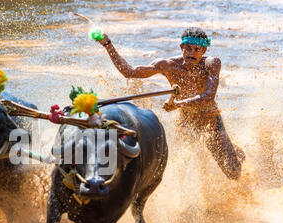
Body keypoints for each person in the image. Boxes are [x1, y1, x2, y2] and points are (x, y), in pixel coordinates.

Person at [96, 27, 245, 180]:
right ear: (181, 48)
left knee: (233, 172)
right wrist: (108, 45)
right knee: (176, 170)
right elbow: (129, 72)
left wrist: (179, 103)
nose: (192, 53)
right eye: (188, 49)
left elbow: (208, 96)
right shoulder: (167, 65)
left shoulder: (211, 63)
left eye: (197, 49)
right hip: (185, 122)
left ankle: (234, 151)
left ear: (204, 50)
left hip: (210, 120)